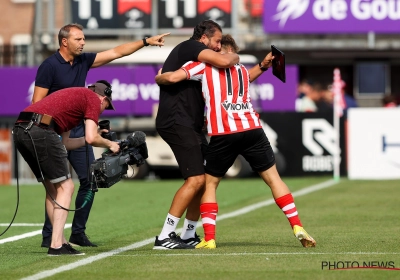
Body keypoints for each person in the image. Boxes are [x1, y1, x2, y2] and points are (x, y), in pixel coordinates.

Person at [155, 34, 317, 249]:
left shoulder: (203, 67)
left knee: (210, 183)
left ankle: (209, 238)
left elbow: (173, 79)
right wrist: (263, 65)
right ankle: (297, 225)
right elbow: (249, 76)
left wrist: (160, 77)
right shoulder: (240, 70)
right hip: (253, 129)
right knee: (274, 179)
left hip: (225, 133)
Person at [32, 23, 169, 248]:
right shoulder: (49, 66)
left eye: (84, 38)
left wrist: (145, 42)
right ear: (64, 41)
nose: (83, 42)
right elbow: (36, 104)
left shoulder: (83, 61)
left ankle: (78, 232)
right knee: (57, 186)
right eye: (79, 39)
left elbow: (117, 52)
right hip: (52, 133)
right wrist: (49, 132)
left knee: (90, 180)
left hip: (76, 129)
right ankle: (50, 236)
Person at [153, 20, 240, 249]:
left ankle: (188, 234)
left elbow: (237, 80)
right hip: (175, 122)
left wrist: (261, 65)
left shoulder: (198, 60)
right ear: (204, 38)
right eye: (217, 41)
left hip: (190, 125)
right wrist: (233, 56)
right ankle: (165, 235)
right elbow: (224, 60)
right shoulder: (190, 47)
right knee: (196, 179)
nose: (218, 46)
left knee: (205, 180)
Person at [13, 81, 120, 255]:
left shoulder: (77, 100)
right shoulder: (93, 99)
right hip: (40, 129)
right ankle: (56, 245)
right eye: (106, 106)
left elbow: (67, 143)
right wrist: (111, 144)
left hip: (21, 129)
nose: (103, 111)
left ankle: (59, 240)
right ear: (104, 99)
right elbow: (92, 138)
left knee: (54, 191)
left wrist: (94, 136)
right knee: (67, 186)